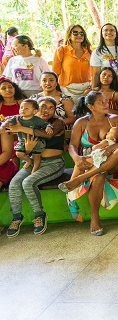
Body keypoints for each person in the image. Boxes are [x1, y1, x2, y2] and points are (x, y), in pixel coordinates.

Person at [66, 91, 118, 235]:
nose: (105, 104)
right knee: (99, 177)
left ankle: (81, 178)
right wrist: (77, 158)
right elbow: (72, 145)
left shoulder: (114, 120)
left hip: (115, 162)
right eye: (101, 102)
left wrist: (111, 148)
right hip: (94, 162)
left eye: (106, 101)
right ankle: (95, 218)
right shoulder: (81, 122)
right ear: (90, 106)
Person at [6, 97, 66, 236]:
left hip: (53, 163)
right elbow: (8, 127)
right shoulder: (26, 120)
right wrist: (27, 150)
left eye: (51, 108)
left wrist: (21, 128)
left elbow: (47, 135)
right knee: (14, 183)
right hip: (31, 161)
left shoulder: (57, 123)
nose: (47, 110)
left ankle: (39, 215)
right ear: (36, 108)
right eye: (44, 106)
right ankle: (16, 217)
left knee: (28, 182)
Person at [58, 126, 118, 192]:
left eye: (109, 132)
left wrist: (94, 147)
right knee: (93, 173)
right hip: (105, 161)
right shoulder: (81, 122)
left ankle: (74, 181)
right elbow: (73, 145)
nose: (107, 133)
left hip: (99, 159)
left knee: (79, 165)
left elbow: (95, 148)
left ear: (113, 139)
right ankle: (75, 181)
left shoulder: (106, 141)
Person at [0, 98, 53, 173]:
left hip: (36, 141)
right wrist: (2, 127)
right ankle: (28, 161)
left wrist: (48, 127)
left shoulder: (36, 120)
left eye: (26, 108)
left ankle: (34, 169)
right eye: (21, 108)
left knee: (36, 156)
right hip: (22, 142)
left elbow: (46, 124)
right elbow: (7, 121)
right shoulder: (17, 118)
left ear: (34, 111)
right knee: (18, 153)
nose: (22, 110)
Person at [52, 24, 92, 101]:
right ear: (69, 35)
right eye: (75, 33)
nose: (79, 35)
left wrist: (91, 88)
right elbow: (55, 73)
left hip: (87, 90)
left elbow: (94, 73)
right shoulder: (61, 51)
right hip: (67, 90)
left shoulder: (89, 52)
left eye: (81, 33)